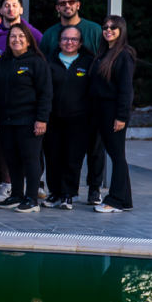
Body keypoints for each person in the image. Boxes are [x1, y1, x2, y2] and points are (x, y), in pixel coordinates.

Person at [0, 22, 52, 214]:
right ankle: (16, 195)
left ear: (28, 41)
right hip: (7, 121)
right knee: (11, 158)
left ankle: (31, 198)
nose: (16, 40)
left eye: (21, 36)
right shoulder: (3, 61)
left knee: (30, 159)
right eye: (13, 36)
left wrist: (42, 118)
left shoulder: (37, 62)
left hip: (29, 120)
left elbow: (45, 93)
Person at [89, 15, 136, 213]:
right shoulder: (104, 53)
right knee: (116, 155)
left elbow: (126, 88)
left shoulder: (123, 54)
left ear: (121, 30)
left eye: (113, 27)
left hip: (113, 111)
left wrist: (121, 116)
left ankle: (115, 200)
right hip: (100, 110)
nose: (108, 30)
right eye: (105, 27)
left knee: (117, 156)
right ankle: (126, 201)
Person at [44, 26, 94, 210]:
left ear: (80, 43)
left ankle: (68, 194)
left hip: (79, 120)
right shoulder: (48, 61)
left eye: (74, 39)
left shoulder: (88, 62)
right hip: (53, 119)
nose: (69, 42)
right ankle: (55, 192)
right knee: (53, 157)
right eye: (65, 39)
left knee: (73, 158)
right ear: (59, 42)